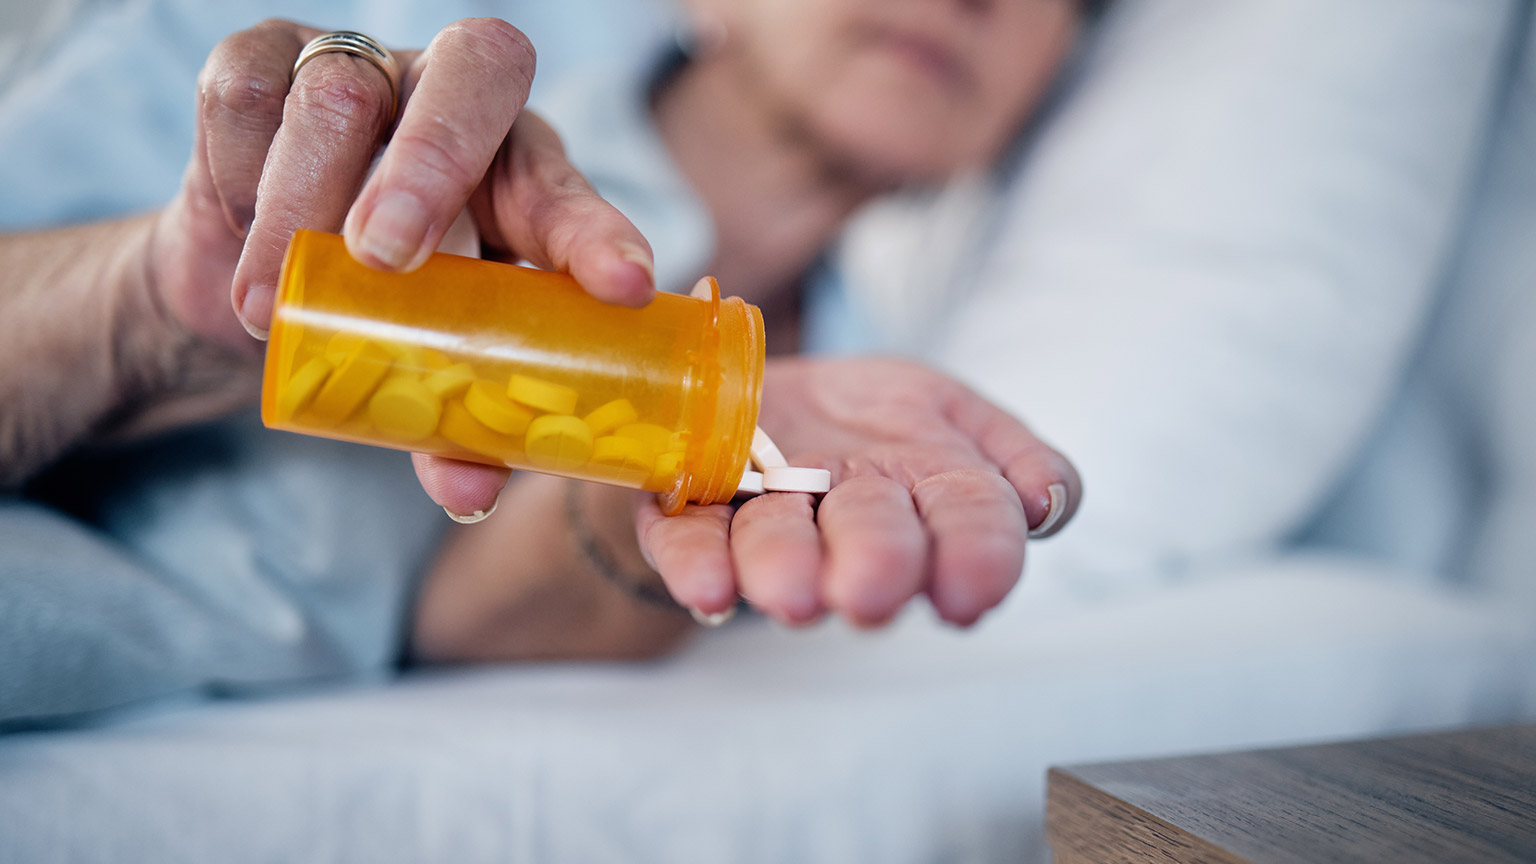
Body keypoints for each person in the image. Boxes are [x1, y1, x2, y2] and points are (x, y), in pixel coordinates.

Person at [0, 0, 1082, 721]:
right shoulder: (333, 74)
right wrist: (143, 300)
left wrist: (627, 505)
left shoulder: (856, 412)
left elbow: (448, 636)